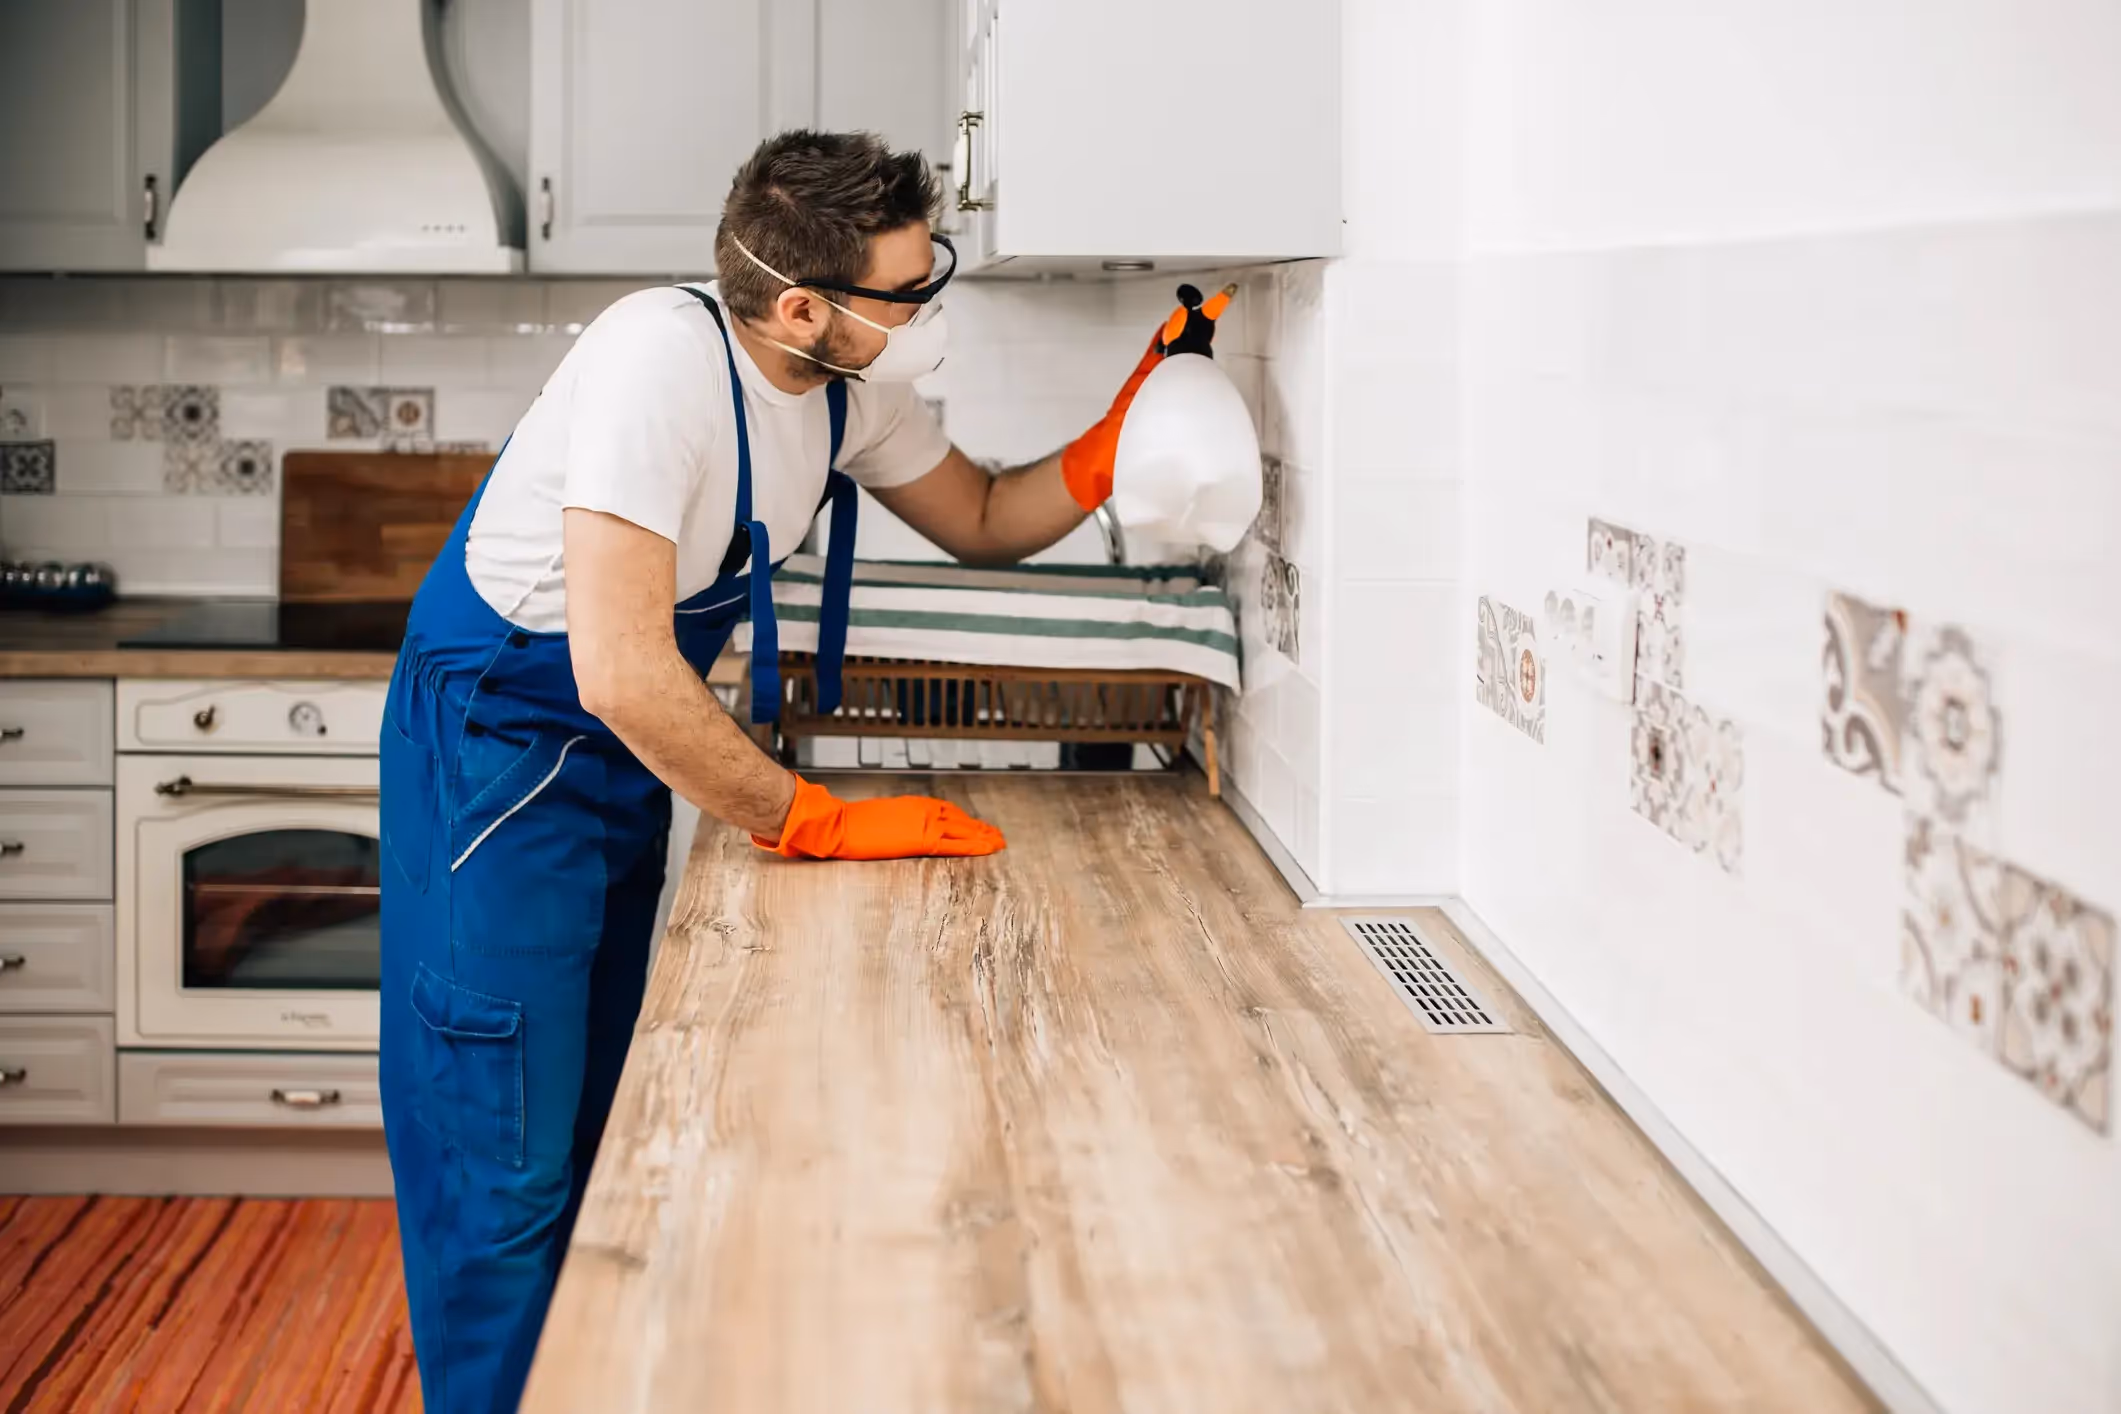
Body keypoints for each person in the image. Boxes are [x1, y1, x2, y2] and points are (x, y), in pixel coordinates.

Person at [377, 128, 1217, 1413]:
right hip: (498, 753)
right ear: (802, 306)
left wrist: (1120, 434)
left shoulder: (845, 382)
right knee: (502, 1161)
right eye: (909, 290)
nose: (931, 306)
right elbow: (618, 669)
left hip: (620, 763)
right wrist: (810, 819)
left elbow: (987, 518)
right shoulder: (656, 364)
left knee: (595, 1133)